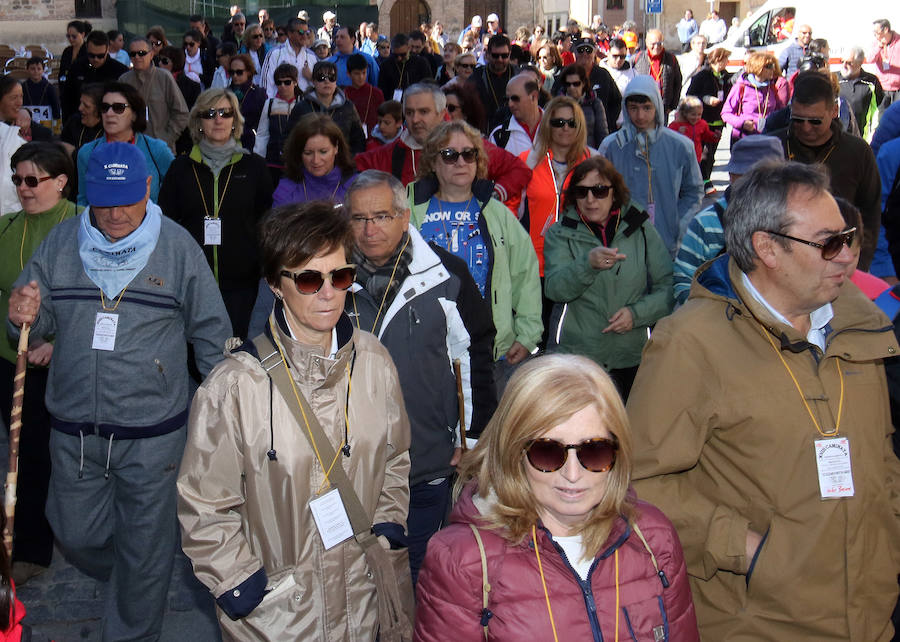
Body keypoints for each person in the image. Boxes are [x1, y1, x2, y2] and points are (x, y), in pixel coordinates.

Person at [627, 160, 900, 641]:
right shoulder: (690, 346)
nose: (847, 257)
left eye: (848, 237)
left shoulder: (863, 328)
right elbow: (637, 483)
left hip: (870, 618)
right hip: (759, 624)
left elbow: (881, 461)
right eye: (828, 243)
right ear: (767, 248)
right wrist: (746, 550)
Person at [8, 141, 231, 641]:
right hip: (74, 429)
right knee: (75, 532)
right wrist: (22, 314)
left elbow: (211, 333)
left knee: (146, 548)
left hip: (155, 434)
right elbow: (31, 320)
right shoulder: (63, 243)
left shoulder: (176, 247)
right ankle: (134, 575)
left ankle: (134, 614)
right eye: (103, 202)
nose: (113, 215)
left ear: (148, 189)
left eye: (126, 201)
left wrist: (224, 415)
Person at [177, 198, 413, 640]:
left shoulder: (375, 361)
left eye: (340, 276)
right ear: (275, 283)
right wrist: (239, 583)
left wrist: (387, 525)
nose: (328, 292)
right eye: (308, 279)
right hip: (278, 618)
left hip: (363, 602)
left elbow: (395, 456)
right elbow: (204, 504)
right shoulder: (233, 387)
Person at [415, 353, 700, 640]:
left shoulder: (653, 537)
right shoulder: (462, 561)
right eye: (548, 452)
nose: (573, 474)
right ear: (514, 453)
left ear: (618, 450)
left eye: (594, 451)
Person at [344, 169, 496, 584]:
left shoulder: (447, 275)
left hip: (424, 463)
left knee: (418, 575)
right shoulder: (328, 279)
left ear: (404, 215)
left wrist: (470, 437)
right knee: (355, 578)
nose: (369, 229)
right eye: (358, 218)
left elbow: (475, 355)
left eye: (382, 216)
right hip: (348, 467)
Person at [408, 120, 542, 387]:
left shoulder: (498, 214)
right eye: (449, 155)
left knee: (487, 428)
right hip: (424, 345)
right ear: (433, 162)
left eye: (469, 154)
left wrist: (527, 334)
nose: (461, 162)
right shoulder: (408, 210)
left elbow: (525, 275)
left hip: (487, 350)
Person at [0, 143, 80, 587]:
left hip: (60, 361)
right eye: (17, 180)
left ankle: (36, 546)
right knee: (18, 453)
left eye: (33, 180)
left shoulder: (83, 224)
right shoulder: (7, 226)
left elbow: (97, 297)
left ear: (61, 181)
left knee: (37, 454)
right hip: (7, 356)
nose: (24, 188)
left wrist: (57, 340)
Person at [543, 157, 672, 399]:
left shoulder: (640, 228)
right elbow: (554, 289)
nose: (590, 199)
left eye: (599, 190)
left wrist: (636, 315)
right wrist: (587, 265)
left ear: (614, 192)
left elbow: (668, 287)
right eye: (582, 192)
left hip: (632, 356)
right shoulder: (560, 233)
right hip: (579, 358)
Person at [158, 88, 273, 339]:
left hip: (243, 285)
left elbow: (267, 223)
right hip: (193, 283)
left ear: (235, 120)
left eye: (225, 113)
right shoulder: (180, 169)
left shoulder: (255, 167)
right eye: (210, 113)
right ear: (198, 122)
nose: (218, 119)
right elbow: (166, 225)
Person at [356, 83, 531, 212]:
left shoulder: (468, 143)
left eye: (424, 112)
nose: (415, 119)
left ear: (441, 113)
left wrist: (492, 196)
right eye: (409, 112)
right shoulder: (390, 153)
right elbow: (351, 170)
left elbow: (519, 170)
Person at [770, 71, 882, 270]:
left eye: (815, 121)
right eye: (797, 119)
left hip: (839, 261)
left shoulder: (857, 151)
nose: (805, 127)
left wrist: (860, 263)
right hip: (781, 263)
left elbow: (870, 213)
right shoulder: (773, 146)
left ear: (834, 111)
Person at [673, 135, 784, 304]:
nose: (754, 186)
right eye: (746, 177)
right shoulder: (706, 223)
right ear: (732, 176)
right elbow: (683, 281)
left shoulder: (797, 220)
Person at [599, 76, 703, 258]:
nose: (640, 116)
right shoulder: (612, 146)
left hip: (666, 241)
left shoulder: (681, 146)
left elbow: (693, 191)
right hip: (623, 245)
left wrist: (679, 223)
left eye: (647, 108)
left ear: (657, 106)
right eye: (633, 108)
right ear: (626, 108)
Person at [76, 81, 174, 206]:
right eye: (105, 108)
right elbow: (83, 201)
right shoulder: (87, 153)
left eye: (118, 108)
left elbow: (177, 192)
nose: (109, 114)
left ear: (134, 114)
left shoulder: (157, 150)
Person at [120, 36, 190, 153]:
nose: (137, 57)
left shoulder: (164, 77)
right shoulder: (124, 80)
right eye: (133, 54)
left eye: (141, 53)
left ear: (151, 54)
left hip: (161, 150)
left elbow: (182, 113)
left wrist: (167, 139)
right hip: (132, 150)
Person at [274, 113, 357, 207]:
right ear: (298, 152)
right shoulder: (287, 192)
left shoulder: (355, 187)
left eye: (323, 152)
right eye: (308, 153)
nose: (316, 160)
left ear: (336, 148)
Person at [287, 60, 366, 154]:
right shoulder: (301, 107)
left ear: (336, 81)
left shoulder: (348, 107)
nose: (327, 81)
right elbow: (289, 138)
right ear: (314, 81)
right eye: (321, 77)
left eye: (331, 77)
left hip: (342, 164)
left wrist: (350, 161)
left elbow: (358, 140)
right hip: (310, 164)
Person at [687, 47, 734, 191]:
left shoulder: (725, 76)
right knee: (704, 153)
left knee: (712, 153)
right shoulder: (702, 75)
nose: (727, 62)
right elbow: (690, 95)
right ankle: (703, 181)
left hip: (718, 120)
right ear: (717, 59)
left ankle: (706, 178)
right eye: (725, 59)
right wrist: (705, 99)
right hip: (704, 119)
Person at [551, 37, 621, 133]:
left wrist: (609, 122)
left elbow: (616, 101)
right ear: (574, 53)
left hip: (597, 132)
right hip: (568, 130)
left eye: (588, 50)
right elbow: (553, 98)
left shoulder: (603, 75)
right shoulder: (565, 73)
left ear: (594, 53)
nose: (584, 54)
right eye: (580, 50)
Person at [61, 30, 128, 122]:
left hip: (109, 123)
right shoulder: (77, 67)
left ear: (107, 49)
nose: (96, 59)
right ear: (86, 49)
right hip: (80, 123)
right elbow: (67, 99)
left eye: (100, 56)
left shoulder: (120, 71)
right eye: (91, 55)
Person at [721, 51, 789, 142]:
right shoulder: (741, 87)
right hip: (744, 139)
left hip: (767, 138)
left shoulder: (772, 87)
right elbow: (726, 113)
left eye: (773, 66)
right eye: (769, 67)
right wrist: (742, 123)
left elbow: (779, 111)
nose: (773, 69)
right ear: (758, 68)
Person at [254, 62, 299, 182]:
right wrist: (258, 160)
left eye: (287, 82)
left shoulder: (303, 103)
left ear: (295, 82)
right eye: (279, 82)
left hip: (298, 163)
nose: (283, 86)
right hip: (273, 162)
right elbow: (262, 135)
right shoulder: (269, 104)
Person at [158, 45, 203, 154]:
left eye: (164, 61)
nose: (159, 64)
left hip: (183, 139)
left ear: (175, 63)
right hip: (159, 135)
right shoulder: (155, 83)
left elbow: (193, 116)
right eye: (158, 60)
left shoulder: (192, 87)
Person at [469, 34, 518, 131]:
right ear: (487, 54)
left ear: (510, 54)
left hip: (513, 129)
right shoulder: (476, 77)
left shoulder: (518, 75)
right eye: (495, 56)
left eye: (504, 56)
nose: (500, 59)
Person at [260, 17, 317, 98]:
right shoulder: (274, 54)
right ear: (290, 34)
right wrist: (272, 106)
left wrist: (311, 77)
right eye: (300, 32)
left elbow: (320, 87)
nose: (305, 36)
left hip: (306, 107)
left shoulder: (312, 56)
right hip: (279, 107)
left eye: (307, 32)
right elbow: (265, 87)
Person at [488, 72, 543, 157]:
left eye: (515, 98)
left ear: (534, 96)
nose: (510, 104)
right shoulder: (498, 136)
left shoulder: (559, 125)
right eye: (507, 99)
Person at [631, 29, 682, 118]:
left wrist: (673, 105)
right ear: (646, 43)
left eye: (659, 43)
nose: (656, 47)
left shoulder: (671, 59)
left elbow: (677, 83)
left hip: (663, 108)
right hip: (642, 108)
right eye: (653, 44)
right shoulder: (637, 58)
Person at [840, 46, 884, 140]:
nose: (844, 65)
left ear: (859, 63)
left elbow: (878, 109)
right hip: (838, 137)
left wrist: (874, 134)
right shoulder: (834, 79)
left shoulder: (871, 81)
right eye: (842, 61)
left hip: (862, 138)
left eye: (849, 63)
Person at [560, 63, 609, 148]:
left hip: (589, 154)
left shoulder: (595, 103)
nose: (572, 87)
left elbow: (602, 134)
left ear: (583, 83)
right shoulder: (558, 104)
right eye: (568, 84)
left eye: (576, 84)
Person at [669, 96, 720, 176]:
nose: (696, 117)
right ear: (685, 113)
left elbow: (705, 135)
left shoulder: (702, 124)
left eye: (699, 114)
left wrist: (714, 136)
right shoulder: (676, 125)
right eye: (693, 115)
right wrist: (678, 133)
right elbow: (668, 138)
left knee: (693, 177)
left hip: (696, 158)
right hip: (679, 159)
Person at [226, 53, 266, 149]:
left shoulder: (259, 93)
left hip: (251, 143)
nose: (235, 76)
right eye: (232, 72)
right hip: (228, 142)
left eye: (239, 72)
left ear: (248, 72)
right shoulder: (225, 93)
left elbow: (262, 124)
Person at [378, 33, 434, 101]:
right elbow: (382, 90)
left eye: (402, 55)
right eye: (395, 55)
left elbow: (429, 86)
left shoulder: (421, 63)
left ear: (409, 48)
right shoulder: (385, 65)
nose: (399, 58)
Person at [343, 53, 383, 136]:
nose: (361, 77)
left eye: (364, 73)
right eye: (357, 73)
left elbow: (382, 117)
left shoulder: (376, 93)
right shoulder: (343, 94)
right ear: (348, 74)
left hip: (374, 137)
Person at [59, 83, 104, 151]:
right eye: (80, 103)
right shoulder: (74, 122)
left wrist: (74, 152)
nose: (80, 108)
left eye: (86, 106)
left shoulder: (107, 131)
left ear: (99, 109)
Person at [870, 19, 900, 113]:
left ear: (886, 30)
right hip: (882, 89)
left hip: (898, 90)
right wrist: (879, 47)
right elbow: (870, 59)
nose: (875, 35)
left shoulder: (898, 42)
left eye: (877, 32)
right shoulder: (876, 43)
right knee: (882, 118)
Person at [21, 57, 61, 122]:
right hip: (26, 121)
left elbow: (56, 107)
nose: (36, 71)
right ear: (27, 70)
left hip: (46, 123)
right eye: (32, 69)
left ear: (43, 70)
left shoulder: (50, 88)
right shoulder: (22, 87)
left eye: (39, 69)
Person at [59, 20, 90, 86]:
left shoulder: (89, 50)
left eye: (74, 36)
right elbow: (62, 73)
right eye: (68, 36)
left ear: (82, 34)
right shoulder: (67, 51)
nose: (71, 39)